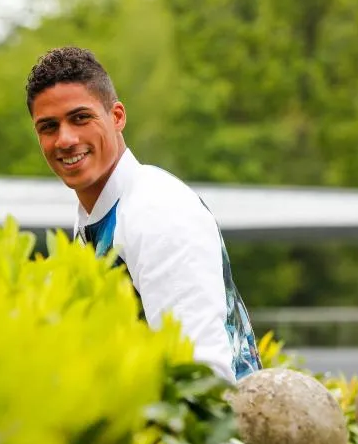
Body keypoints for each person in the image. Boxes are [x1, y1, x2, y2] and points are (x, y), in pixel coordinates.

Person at [24, 46, 262, 383]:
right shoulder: (99, 214)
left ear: (117, 116)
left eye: (80, 118)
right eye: (48, 127)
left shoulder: (157, 211)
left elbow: (204, 376)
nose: (65, 139)